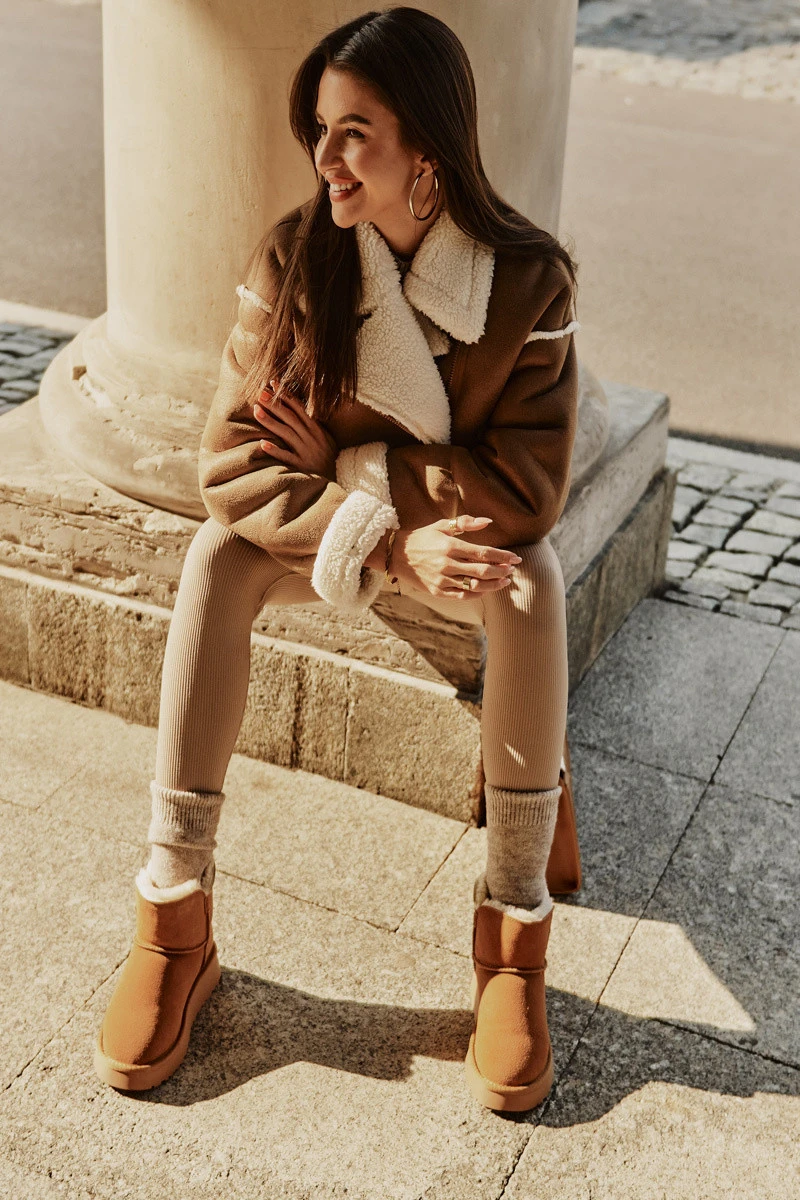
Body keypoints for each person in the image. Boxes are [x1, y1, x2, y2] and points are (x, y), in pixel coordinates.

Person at [93, 5, 582, 1114]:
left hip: (441, 544)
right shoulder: (294, 259)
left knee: (529, 578)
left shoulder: (527, 282)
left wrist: (352, 471)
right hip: (368, 538)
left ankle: (512, 940)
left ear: (429, 149)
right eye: (320, 129)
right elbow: (232, 464)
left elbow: (528, 490)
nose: (324, 158)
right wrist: (390, 534)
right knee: (218, 557)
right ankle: (173, 916)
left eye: (354, 132)